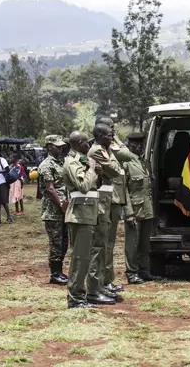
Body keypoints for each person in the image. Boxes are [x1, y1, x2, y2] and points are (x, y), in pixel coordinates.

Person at [62, 131, 103, 308]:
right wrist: (92, 170)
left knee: (85, 257)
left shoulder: (81, 161)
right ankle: (75, 297)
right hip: (80, 215)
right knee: (80, 258)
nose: (90, 146)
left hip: (88, 214)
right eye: (87, 143)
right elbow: (84, 186)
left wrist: (97, 172)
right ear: (79, 143)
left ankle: (80, 294)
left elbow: (94, 186)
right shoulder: (71, 162)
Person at [87, 124, 126, 305]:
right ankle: (95, 289)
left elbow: (115, 168)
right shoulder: (96, 151)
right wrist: (111, 157)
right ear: (100, 135)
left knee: (104, 247)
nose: (112, 137)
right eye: (110, 135)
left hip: (105, 200)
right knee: (98, 248)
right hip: (99, 202)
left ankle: (101, 284)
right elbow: (115, 170)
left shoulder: (104, 149)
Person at [96, 117, 133, 295]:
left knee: (109, 244)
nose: (113, 133)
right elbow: (127, 155)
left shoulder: (106, 145)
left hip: (115, 197)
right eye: (111, 129)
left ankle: (106, 279)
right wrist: (116, 137)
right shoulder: (102, 147)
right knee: (104, 243)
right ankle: (103, 281)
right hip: (108, 198)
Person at [122, 133, 159, 284]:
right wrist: (128, 212)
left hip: (147, 208)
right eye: (135, 144)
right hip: (134, 210)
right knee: (132, 243)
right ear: (128, 145)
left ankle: (144, 270)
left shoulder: (145, 163)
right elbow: (123, 189)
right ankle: (132, 273)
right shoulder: (126, 163)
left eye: (141, 144)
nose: (139, 147)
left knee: (145, 242)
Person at [38, 135, 70, 286]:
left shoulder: (62, 162)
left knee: (64, 241)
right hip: (53, 210)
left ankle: (60, 271)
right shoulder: (46, 165)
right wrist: (62, 204)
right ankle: (55, 273)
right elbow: (50, 189)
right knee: (55, 243)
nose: (60, 148)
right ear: (49, 147)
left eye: (61, 146)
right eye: (57, 146)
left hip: (64, 208)